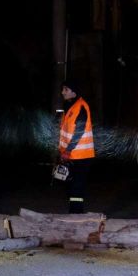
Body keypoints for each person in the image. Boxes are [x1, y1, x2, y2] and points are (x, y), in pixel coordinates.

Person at [58, 78, 95, 213]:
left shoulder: (80, 107)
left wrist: (67, 150)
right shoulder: (70, 106)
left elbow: (79, 131)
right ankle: (75, 213)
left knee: (76, 188)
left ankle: (76, 215)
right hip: (72, 155)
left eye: (66, 89)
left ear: (74, 92)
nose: (62, 92)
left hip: (81, 156)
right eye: (63, 89)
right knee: (71, 186)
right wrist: (63, 152)